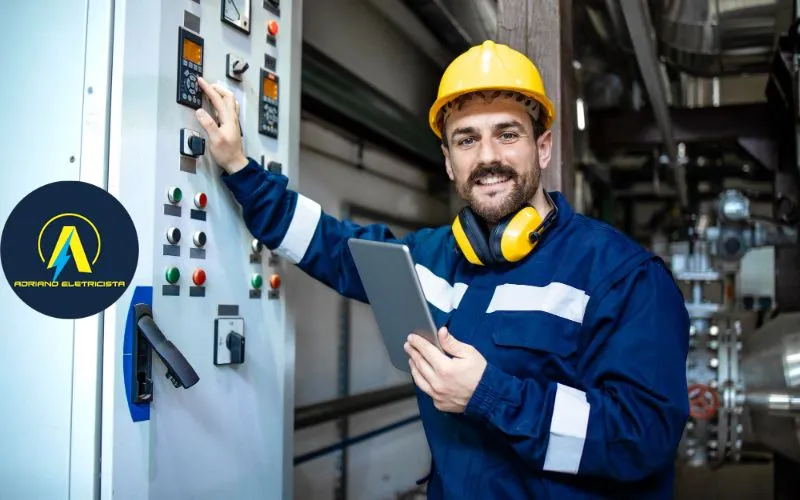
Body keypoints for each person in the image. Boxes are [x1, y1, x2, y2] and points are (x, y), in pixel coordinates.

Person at [194, 40, 690, 499]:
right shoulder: (431, 258)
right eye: (467, 139)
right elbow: (331, 247)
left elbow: (642, 438)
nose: (488, 157)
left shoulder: (624, 277)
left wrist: (490, 396)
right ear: (449, 162)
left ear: (542, 147)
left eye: (508, 134)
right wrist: (240, 169)